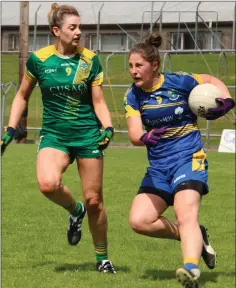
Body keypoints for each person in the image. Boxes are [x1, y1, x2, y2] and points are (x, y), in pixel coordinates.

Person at [1, 3, 116, 274]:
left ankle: (102, 258)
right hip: (54, 135)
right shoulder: (39, 59)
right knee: (47, 184)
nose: (78, 32)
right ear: (56, 31)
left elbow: (98, 101)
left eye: (79, 27)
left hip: (87, 135)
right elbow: (21, 96)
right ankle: (75, 211)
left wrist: (108, 127)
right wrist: (9, 129)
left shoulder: (90, 59)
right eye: (72, 27)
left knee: (95, 200)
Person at [124, 33, 235, 287]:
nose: (133, 71)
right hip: (159, 167)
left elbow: (210, 79)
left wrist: (227, 100)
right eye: (130, 66)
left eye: (138, 65)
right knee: (139, 221)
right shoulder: (133, 96)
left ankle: (191, 269)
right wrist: (145, 137)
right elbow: (133, 134)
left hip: (189, 158)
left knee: (185, 214)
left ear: (154, 66)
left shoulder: (179, 82)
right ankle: (196, 235)